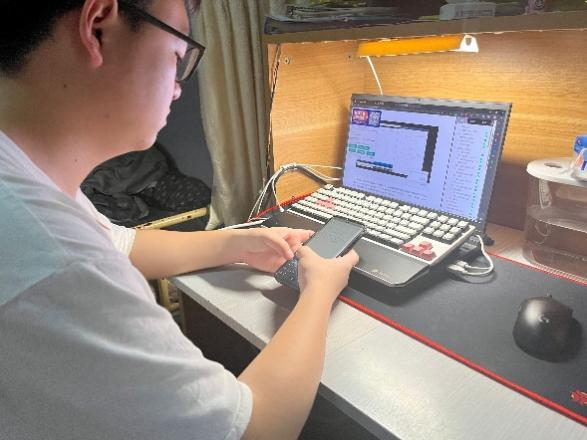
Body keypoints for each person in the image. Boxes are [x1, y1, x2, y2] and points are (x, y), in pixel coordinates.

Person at [0, 1, 359, 439]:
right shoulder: (57, 259)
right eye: (178, 56)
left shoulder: (23, 174)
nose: (177, 89)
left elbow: (122, 244)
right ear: (98, 26)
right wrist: (319, 290)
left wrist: (237, 244)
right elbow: (256, 429)